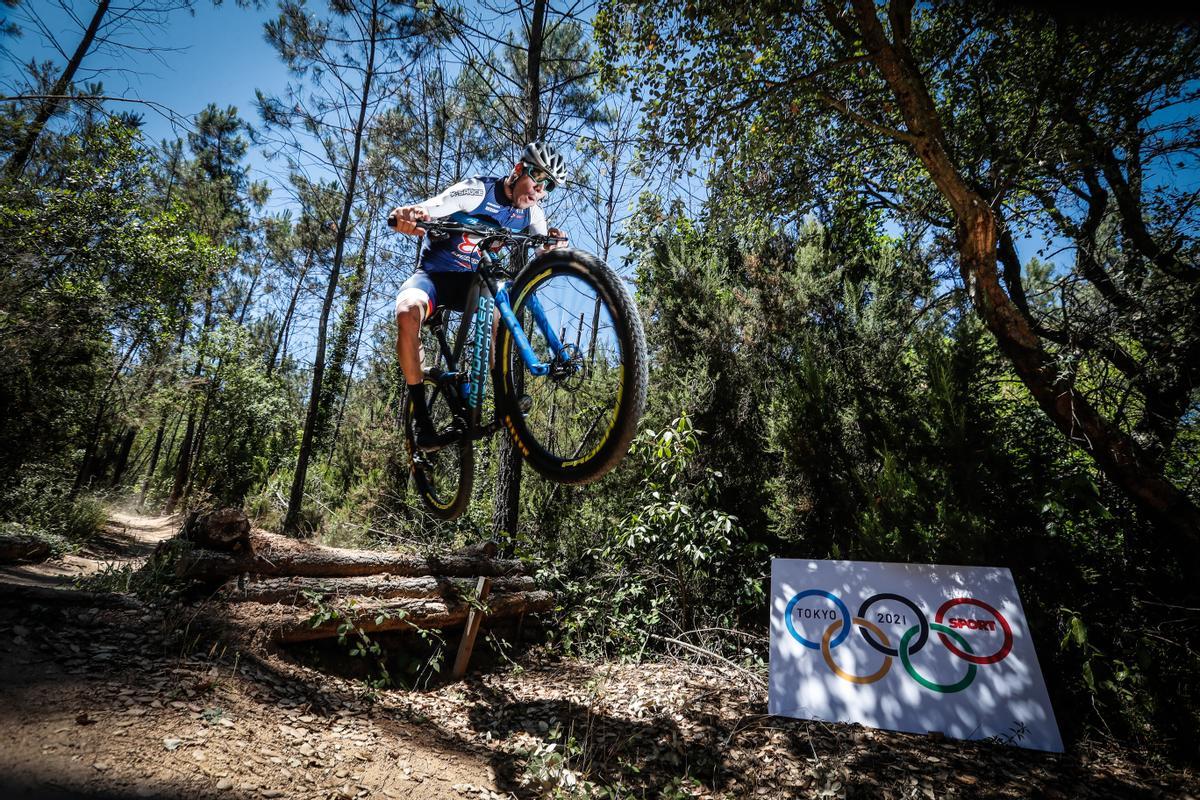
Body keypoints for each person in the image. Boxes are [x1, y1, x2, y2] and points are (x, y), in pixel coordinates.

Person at [388, 141, 569, 449]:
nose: (539, 190)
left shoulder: (532, 215)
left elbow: (543, 248)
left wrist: (556, 244)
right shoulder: (477, 191)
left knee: (503, 301)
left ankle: (502, 400)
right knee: (407, 313)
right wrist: (411, 214)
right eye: (536, 178)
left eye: (547, 186)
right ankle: (421, 418)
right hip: (436, 278)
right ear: (518, 170)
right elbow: (433, 207)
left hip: (476, 284)